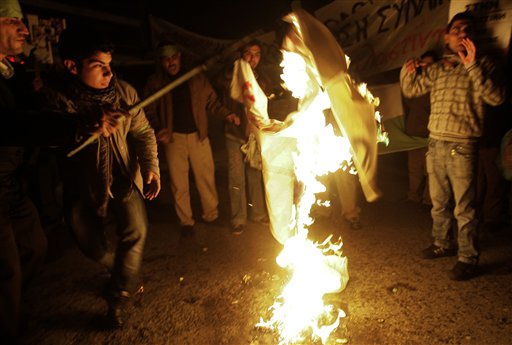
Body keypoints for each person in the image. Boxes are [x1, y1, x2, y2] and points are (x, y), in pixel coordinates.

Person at [38, 26, 161, 327]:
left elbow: (143, 132)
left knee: (136, 231)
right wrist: (86, 126)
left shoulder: (124, 93)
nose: (108, 73)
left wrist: (151, 167)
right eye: (98, 66)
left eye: (109, 65)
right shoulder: (56, 99)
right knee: (94, 247)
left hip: (122, 179)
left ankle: (118, 297)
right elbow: (54, 136)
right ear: (71, 66)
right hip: (81, 187)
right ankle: (125, 271)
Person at [400, 11, 506, 280]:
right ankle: (441, 244)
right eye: (455, 29)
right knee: (439, 203)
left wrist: (472, 66)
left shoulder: (485, 65)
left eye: (466, 30)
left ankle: (468, 256)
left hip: (463, 146)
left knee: (465, 207)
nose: (461, 33)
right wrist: (406, 72)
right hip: (435, 143)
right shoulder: (437, 68)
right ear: (446, 38)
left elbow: (496, 98)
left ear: (472, 38)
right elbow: (411, 90)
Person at [143, 44, 238, 234]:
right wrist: (158, 128)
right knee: (179, 183)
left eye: (174, 57)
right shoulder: (156, 82)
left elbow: (212, 101)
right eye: (166, 59)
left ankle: (211, 215)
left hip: (198, 135)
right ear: (162, 62)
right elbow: (147, 108)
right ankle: (186, 221)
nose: (171, 62)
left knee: (206, 178)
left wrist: (227, 114)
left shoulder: (195, 78)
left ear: (179, 57)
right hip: (173, 139)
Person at [215, 40, 271, 235]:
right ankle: (238, 218)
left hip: (253, 136)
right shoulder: (231, 75)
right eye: (249, 53)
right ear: (241, 55)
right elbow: (221, 82)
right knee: (236, 177)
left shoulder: (261, 79)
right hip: (233, 133)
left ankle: (258, 213)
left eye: (257, 54)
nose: (252, 58)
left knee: (255, 174)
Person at [402, 50, 437, 205]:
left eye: (430, 64)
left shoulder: (438, 85)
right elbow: (407, 101)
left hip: (431, 134)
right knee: (414, 169)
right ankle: (413, 197)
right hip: (415, 133)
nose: (426, 67)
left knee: (431, 171)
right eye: (424, 64)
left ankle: (428, 200)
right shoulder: (415, 85)